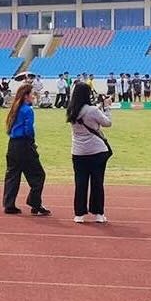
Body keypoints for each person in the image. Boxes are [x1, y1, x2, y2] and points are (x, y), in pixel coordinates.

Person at [67, 81, 112, 224]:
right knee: (97, 182)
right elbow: (107, 123)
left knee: (80, 183)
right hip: (96, 150)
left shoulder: (71, 110)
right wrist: (106, 107)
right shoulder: (92, 110)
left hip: (78, 151)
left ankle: (79, 214)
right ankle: (98, 213)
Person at [2, 84, 50, 216]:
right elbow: (28, 129)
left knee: (12, 175)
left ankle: (9, 204)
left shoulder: (15, 108)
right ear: (26, 96)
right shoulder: (28, 110)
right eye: (32, 94)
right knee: (38, 175)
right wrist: (32, 142)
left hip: (13, 145)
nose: (33, 97)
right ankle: (34, 203)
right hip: (24, 145)